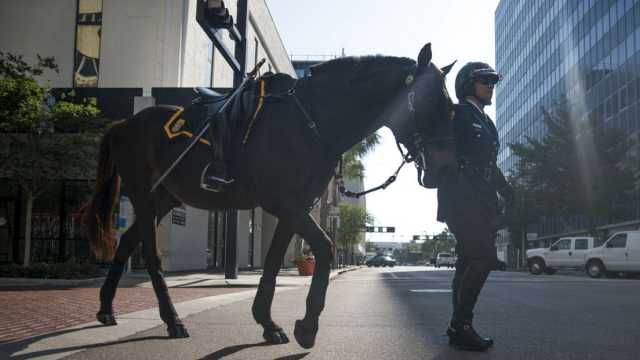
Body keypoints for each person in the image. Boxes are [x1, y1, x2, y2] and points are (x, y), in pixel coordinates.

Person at [436, 61, 513, 351]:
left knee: (468, 261)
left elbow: (490, 165)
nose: (491, 85)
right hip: (460, 196)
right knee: (483, 257)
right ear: (469, 83)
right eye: (485, 80)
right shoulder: (457, 114)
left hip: (481, 199)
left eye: (494, 80)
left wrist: (507, 191)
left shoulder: (485, 120)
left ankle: (458, 327)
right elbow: (439, 149)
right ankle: (461, 325)